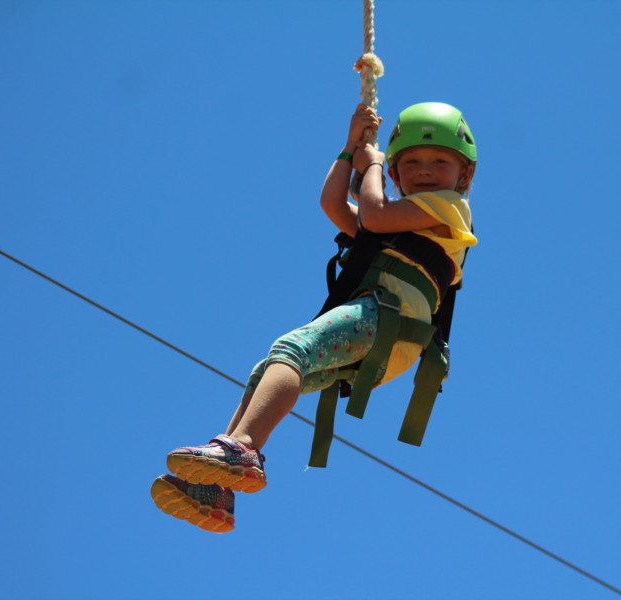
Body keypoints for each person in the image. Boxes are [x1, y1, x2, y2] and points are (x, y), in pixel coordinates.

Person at [151, 102, 478, 533]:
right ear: (398, 176)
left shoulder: (449, 207)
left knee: (292, 349)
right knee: (268, 368)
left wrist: (375, 163)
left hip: (390, 323)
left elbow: (374, 214)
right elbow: (333, 204)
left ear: (463, 176)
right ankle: (220, 487)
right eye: (412, 162)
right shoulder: (399, 218)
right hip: (382, 331)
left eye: (439, 161)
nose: (425, 169)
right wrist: (349, 150)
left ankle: (243, 449)